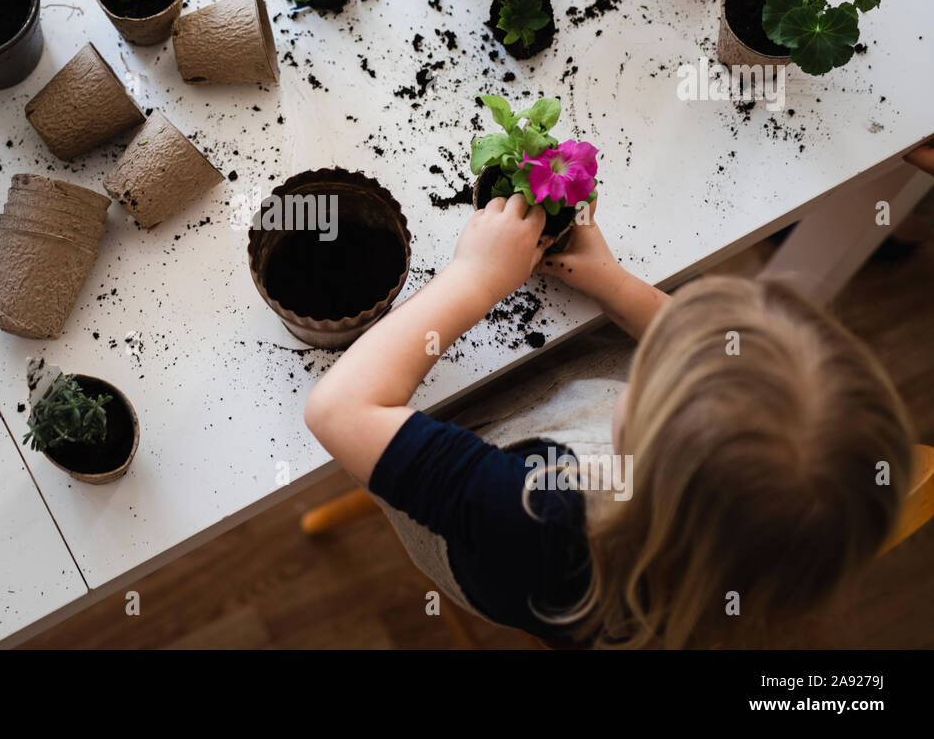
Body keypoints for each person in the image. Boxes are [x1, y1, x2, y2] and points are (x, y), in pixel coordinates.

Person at [304, 196, 915, 647]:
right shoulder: (762, 559)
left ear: (638, 446)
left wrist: (475, 278)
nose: (666, 345)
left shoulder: (541, 523)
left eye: (658, 370)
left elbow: (338, 410)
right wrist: (613, 282)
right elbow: (725, 358)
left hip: (479, 530)